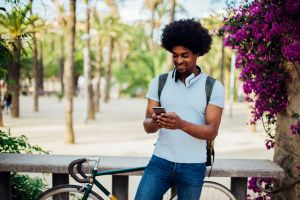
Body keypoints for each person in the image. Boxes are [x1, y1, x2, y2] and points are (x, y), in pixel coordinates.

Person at [135, 19, 225, 200]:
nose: (179, 60)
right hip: (160, 161)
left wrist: (181, 124)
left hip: (193, 166)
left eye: (185, 55)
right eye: (175, 55)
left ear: (197, 53)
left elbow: (211, 132)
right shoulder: (159, 82)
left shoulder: (213, 87)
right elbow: (146, 125)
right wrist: (155, 122)